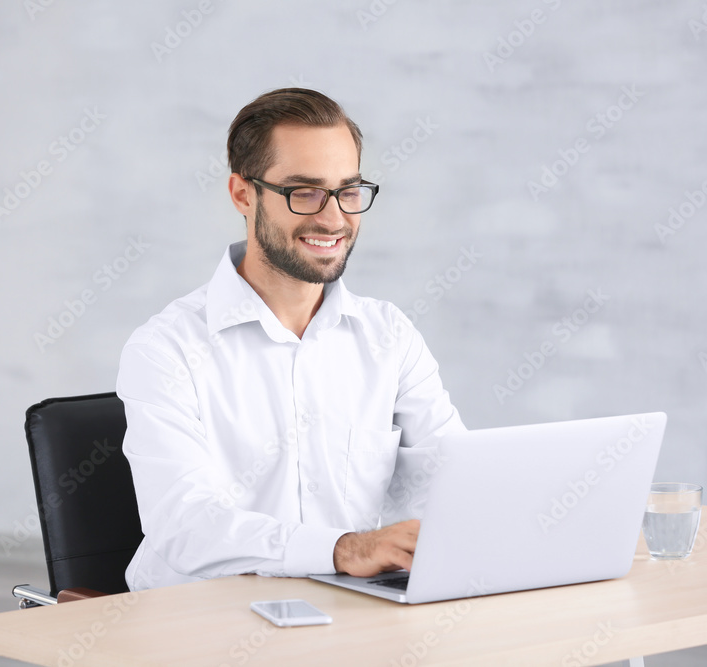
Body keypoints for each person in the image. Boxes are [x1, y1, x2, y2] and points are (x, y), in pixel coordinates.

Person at [117, 88, 465, 591]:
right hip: (200, 618)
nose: (334, 218)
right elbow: (185, 527)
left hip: (351, 611)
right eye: (304, 192)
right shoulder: (165, 349)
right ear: (243, 194)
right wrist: (343, 549)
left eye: (348, 191)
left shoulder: (389, 336)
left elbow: (454, 477)